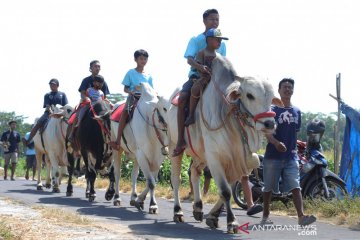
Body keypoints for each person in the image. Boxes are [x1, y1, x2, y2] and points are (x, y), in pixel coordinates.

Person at [261, 78, 316, 226]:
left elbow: (294, 133)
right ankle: (265, 215)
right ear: (278, 91)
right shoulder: (272, 110)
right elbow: (266, 132)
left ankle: (301, 217)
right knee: (269, 187)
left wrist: (298, 151)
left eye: (290, 87)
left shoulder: (297, 111)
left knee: (295, 185)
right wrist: (276, 143)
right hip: (273, 155)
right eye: (284, 87)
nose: (287, 89)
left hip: (291, 156)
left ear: (293, 90)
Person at [172, 9, 227, 157]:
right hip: (197, 76)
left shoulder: (221, 42)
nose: (215, 22)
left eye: (217, 19)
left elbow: (224, 62)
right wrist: (200, 67)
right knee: (183, 97)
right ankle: (180, 140)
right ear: (204, 21)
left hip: (216, 79)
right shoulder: (196, 40)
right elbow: (189, 59)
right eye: (212, 19)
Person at [109, 49, 154, 150]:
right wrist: (132, 92)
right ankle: (118, 140)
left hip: (146, 98)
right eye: (141, 58)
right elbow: (125, 88)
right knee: (125, 112)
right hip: (134, 97)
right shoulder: (131, 72)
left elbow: (151, 89)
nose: (143, 61)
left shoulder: (149, 75)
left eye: (145, 59)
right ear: (135, 59)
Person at [184, 28, 228, 126]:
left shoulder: (219, 56)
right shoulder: (202, 53)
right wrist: (201, 68)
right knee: (195, 89)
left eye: (221, 40)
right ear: (209, 40)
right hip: (205, 78)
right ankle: (191, 115)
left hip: (217, 80)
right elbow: (198, 65)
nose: (220, 42)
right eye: (218, 40)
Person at [68, 60, 110, 141]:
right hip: (87, 103)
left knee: (109, 115)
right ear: (90, 68)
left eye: (99, 67)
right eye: (95, 66)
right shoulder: (86, 80)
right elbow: (82, 93)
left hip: (100, 104)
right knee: (79, 114)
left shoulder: (103, 81)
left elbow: (105, 96)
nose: (97, 68)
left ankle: (110, 134)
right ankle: (72, 133)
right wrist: (86, 98)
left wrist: (109, 102)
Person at [24, 79, 68, 145]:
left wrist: (61, 113)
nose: (51, 86)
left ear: (57, 85)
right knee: (38, 123)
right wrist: (52, 113)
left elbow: (66, 105)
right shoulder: (47, 95)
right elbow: (47, 106)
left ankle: (72, 140)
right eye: (50, 84)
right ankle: (28, 140)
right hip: (49, 113)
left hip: (61, 113)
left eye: (53, 84)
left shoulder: (62, 94)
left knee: (70, 122)